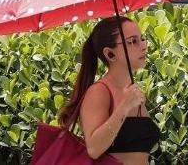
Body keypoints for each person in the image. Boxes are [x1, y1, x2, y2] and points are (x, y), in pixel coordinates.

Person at [58, 16, 161, 164]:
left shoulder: (133, 93)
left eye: (142, 38)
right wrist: (124, 106)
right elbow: (94, 149)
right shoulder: (99, 92)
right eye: (133, 41)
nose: (143, 46)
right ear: (110, 54)